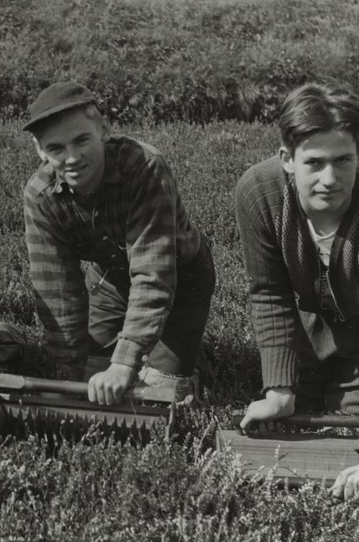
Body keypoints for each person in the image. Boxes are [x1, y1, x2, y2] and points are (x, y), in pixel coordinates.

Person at [235, 83, 359, 500]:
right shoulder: (259, 193)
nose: (330, 179)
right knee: (289, 415)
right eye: (314, 162)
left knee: (354, 435)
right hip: (304, 325)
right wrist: (279, 389)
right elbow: (269, 293)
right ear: (287, 159)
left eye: (343, 160)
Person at [21, 81, 216, 406]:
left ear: (105, 130)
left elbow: (154, 275)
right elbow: (57, 290)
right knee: (89, 382)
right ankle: (149, 344)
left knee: (159, 396)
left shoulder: (145, 167)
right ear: (40, 150)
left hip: (181, 278)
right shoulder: (40, 197)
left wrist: (125, 363)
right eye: (56, 148)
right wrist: (69, 375)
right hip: (110, 278)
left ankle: (182, 350)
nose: (72, 158)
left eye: (82, 140)